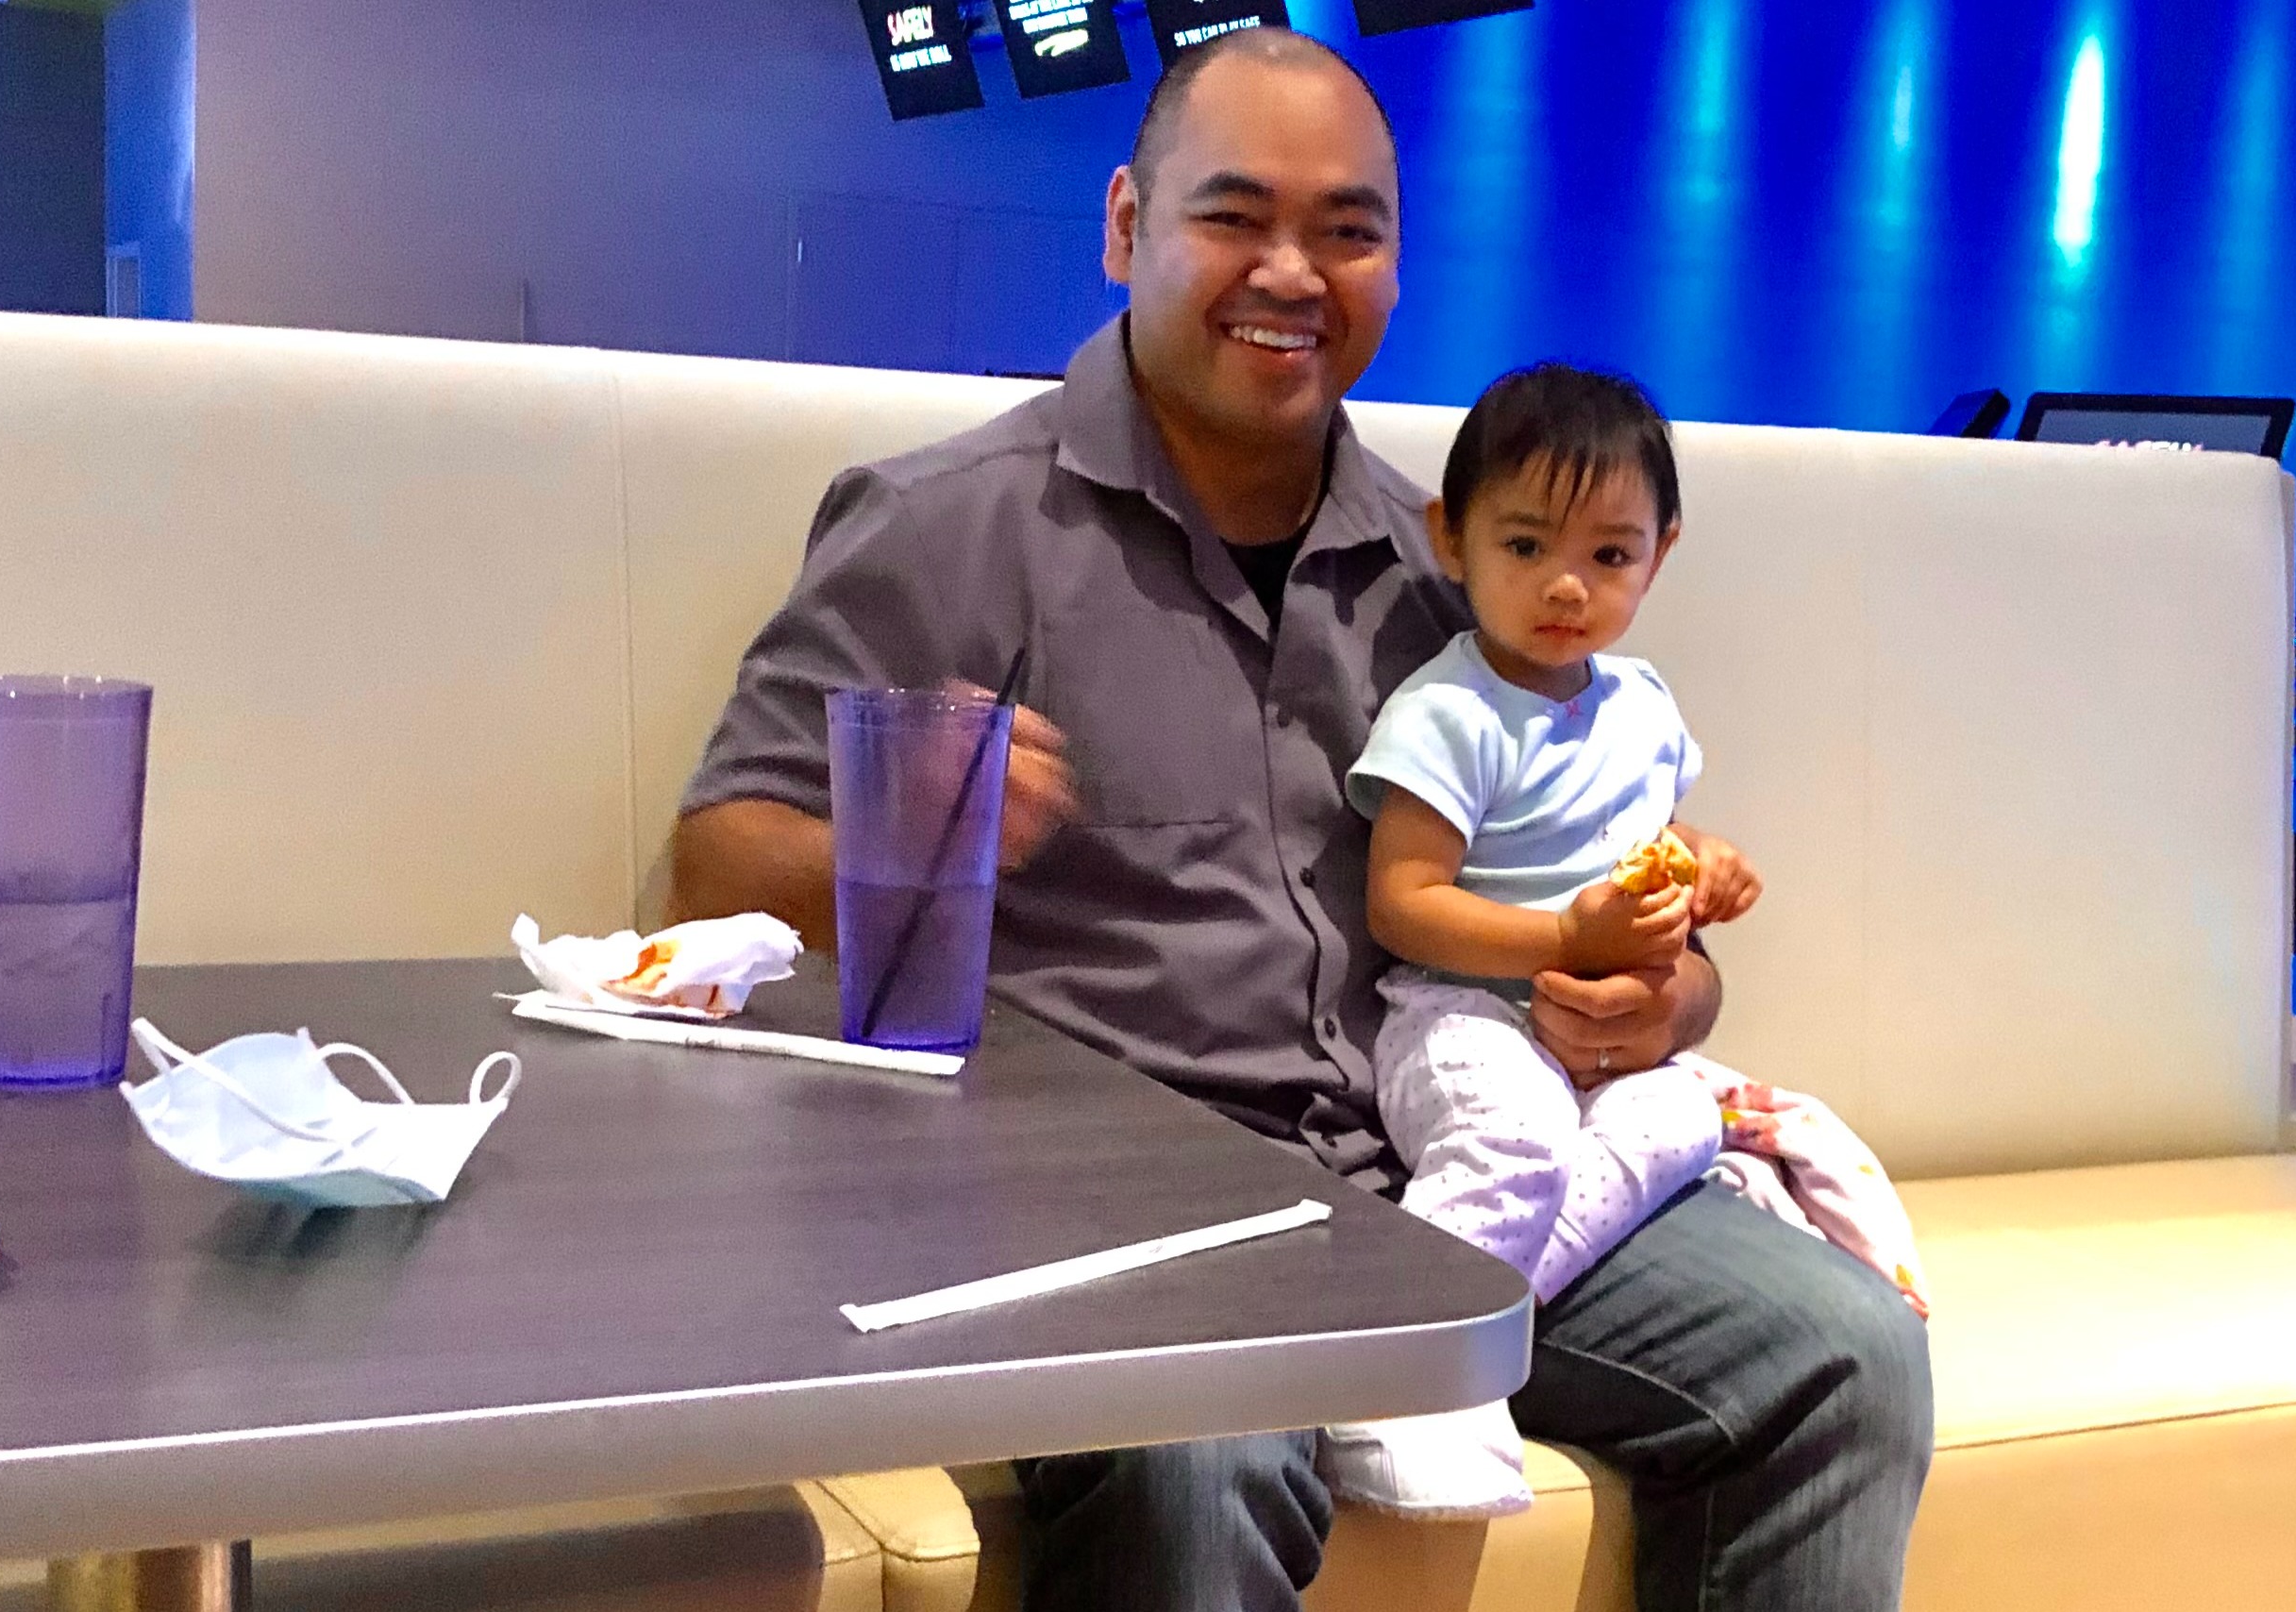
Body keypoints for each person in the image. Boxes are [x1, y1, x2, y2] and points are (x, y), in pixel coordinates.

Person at [670, 25, 1931, 1612]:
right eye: (1233, 215)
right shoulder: (946, 526)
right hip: (1108, 1199)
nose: (1290, 271)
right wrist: (920, 825)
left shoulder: (1449, 567)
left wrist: (1664, 998)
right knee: (1204, 1449)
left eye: (1346, 230)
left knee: (1838, 1352)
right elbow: (711, 866)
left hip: (1431, 1169)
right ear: (1126, 224)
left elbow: (1586, 881)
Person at [1319, 361, 1765, 1521]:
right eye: (1525, 546)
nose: (1567, 585)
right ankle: (1403, 1379)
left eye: (1610, 555)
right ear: (1451, 538)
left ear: (1660, 555)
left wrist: (1702, 861)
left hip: (1602, 1037)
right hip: (1457, 1011)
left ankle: (1469, 1327)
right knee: (1517, 1140)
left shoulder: (1642, 704)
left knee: (1687, 1119)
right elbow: (1401, 901)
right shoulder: (1450, 711)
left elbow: (1644, 839)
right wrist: (1564, 933)